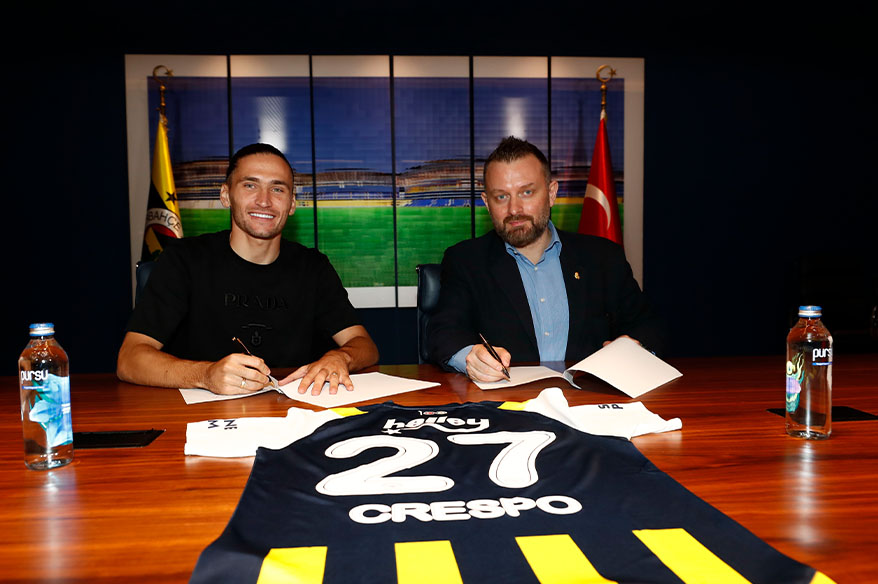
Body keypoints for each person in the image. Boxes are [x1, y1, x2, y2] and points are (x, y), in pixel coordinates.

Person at [117, 143, 378, 395]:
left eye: (277, 189)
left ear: (292, 204)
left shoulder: (313, 267)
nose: (264, 201)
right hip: (202, 414)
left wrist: (340, 357)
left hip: (292, 411)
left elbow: (364, 345)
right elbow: (130, 359)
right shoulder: (184, 259)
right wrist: (205, 375)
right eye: (250, 185)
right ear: (225, 195)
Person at [427, 136, 663, 382]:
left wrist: (636, 346)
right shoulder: (465, 260)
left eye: (527, 192)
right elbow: (443, 332)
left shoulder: (603, 257)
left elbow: (649, 325)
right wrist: (470, 357)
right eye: (501, 197)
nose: (514, 209)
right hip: (508, 402)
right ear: (487, 203)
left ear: (551, 193)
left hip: (589, 398)